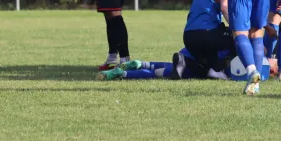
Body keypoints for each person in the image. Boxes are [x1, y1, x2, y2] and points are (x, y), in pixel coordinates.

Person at [183, 0, 235, 79]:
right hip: (207, 34)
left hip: (188, 36)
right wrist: (237, 28)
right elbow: (224, 7)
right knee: (238, 38)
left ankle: (185, 62)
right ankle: (223, 70)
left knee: (202, 70)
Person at [96, 48, 231, 80]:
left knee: (170, 66)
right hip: (194, 66)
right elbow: (214, 72)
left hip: (188, 52)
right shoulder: (231, 50)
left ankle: (141, 63)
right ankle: (123, 73)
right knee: (159, 73)